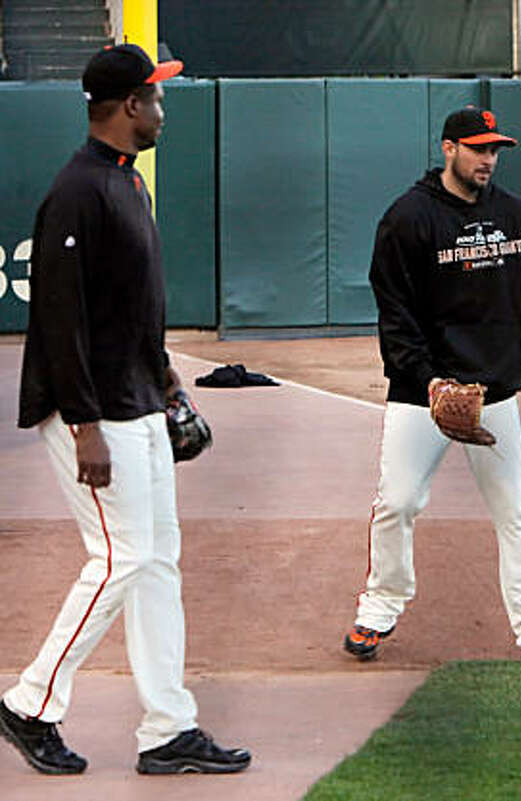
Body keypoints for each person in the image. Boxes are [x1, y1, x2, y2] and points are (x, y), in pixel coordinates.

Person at [0, 44, 250, 776]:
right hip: (93, 413)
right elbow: (58, 317)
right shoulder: (76, 191)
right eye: (157, 97)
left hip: (136, 401)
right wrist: (82, 426)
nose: (163, 110)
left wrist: (169, 383)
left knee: (157, 561)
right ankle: (29, 700)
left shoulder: (126, 186)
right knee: (121, 556)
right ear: (129, 107)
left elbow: (131, 308)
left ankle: (168, 726)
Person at [343, 107, 521, 665]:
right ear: (449, 149)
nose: (488, 159)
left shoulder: (514, 214)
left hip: (493, 391)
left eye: (495, 150)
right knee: (396, 503)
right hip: (423, 394)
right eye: (478, 148)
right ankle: (379, 607)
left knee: (513, 509)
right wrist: (428, 380)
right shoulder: (408, 218)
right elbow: (394, 313)